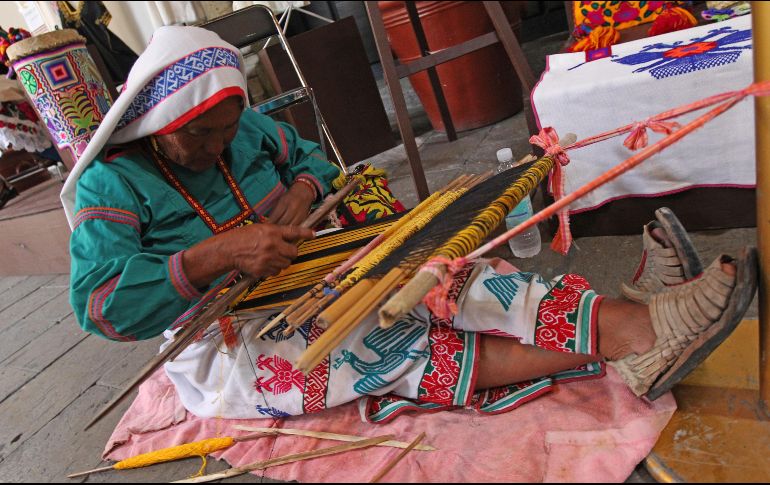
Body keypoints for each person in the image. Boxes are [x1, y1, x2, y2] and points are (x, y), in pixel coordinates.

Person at [64, 26, 757, 424]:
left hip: (312, 273)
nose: (220, 145)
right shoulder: (111, 185)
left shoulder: (243, 129)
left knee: (444, 276)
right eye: (201, 135)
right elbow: (100, 304)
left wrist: (303, 192)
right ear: (158, 122)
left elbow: (311, 162)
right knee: (386, 341)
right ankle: (632, 335)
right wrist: (218, 254)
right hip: (227, 338)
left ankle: (623, 319)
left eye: (226, 128)